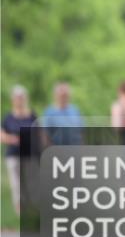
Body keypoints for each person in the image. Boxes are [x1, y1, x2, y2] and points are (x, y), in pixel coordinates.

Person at [1, 86, 37, 216]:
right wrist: (12, 139)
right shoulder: (8, 118)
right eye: (17, 98)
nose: (19, 100)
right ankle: (20, 211)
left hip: (29, 154)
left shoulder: (32, 115)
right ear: (13, 100)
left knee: (30, 181)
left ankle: (32, 209)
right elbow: (1, 135)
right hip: (13, 154)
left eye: (21, 97)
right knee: (16, 183)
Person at [41, 82, 84, 146]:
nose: (64, 98)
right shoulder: (49, 113)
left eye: (66, 95)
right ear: (55, 95)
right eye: (62, 95)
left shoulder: (75, 110)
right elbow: (45, 136)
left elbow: (81, 132)